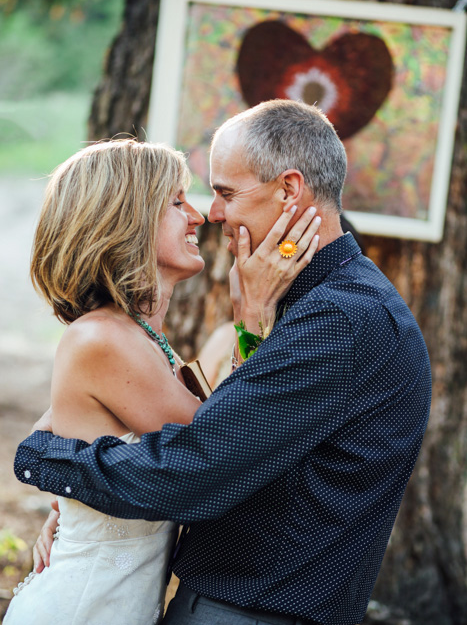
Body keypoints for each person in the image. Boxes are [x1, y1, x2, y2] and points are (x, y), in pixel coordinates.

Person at [14, 100, 431, 625]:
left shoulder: (337, 319)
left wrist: (50, 461)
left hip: (254, 609)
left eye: (225, 193)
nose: (209, 214)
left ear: (289, 190)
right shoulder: (316, 306)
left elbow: (200, 460)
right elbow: (221, 437)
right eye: (184, 200)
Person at [5, 136, 320, 625]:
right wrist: (253, 315)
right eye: (176, 202)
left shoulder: (142, 340)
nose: (197, 217)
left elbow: (59, 433)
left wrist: (67, 496)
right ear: (125, 219)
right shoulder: (104, 340)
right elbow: (224, 453)